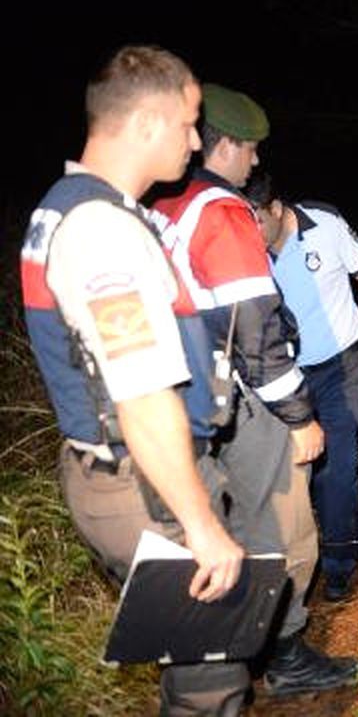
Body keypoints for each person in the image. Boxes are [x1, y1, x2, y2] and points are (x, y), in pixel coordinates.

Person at [20, 45, 249, 713]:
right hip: (143, 481)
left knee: (193, 661)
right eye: (188, 123)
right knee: (211, 674)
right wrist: (200, 524)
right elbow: (143, 395)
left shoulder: (69, 208)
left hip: (126, 474)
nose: (195, 140)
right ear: (148, 125)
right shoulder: (103, 232)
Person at [150, 83, 358, 696]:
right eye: (253, 149)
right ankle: (284, 656)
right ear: (228, 145)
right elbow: (257, 333)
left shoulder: (160, 207)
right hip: (238, 400)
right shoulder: (223, 214)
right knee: (286, 528)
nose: (257, 163)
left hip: (169, 408)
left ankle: (206, 674)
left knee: (206, 537)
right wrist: (300, 417)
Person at [244, 173, 358, 600]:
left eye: (256, 220)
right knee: (307, 464)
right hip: (287, 377)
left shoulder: (325, 224)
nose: (249, 232)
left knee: (335, 459)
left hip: (343, 363)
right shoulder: (242, 249)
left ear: (275, 208)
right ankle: (351, 526)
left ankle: (338, 561)